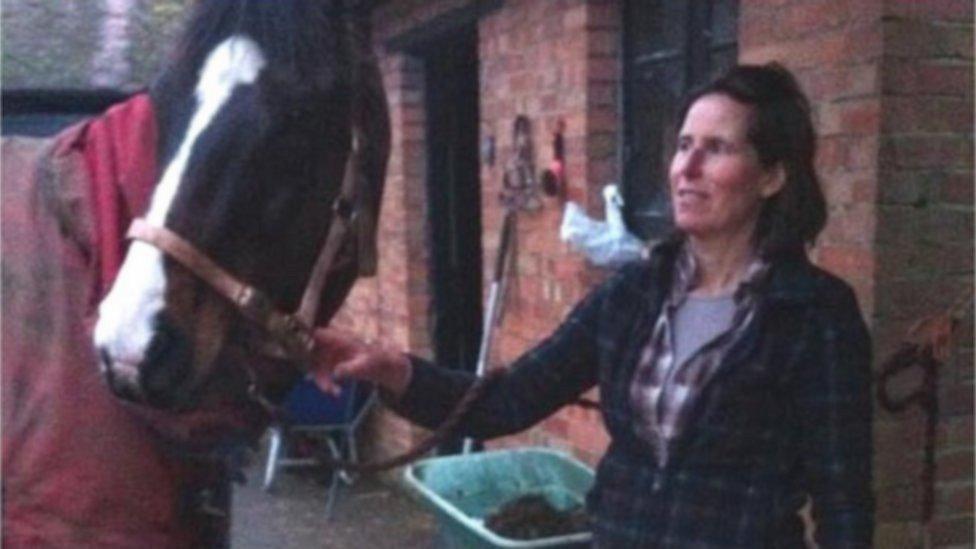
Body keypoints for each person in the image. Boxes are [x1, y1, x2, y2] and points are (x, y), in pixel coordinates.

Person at [312, 63, 874, 547]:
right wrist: (393, 369)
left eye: (717, 148)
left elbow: (842, 499)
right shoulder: (632, 295)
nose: (687, 168)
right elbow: (506, 401)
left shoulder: (814, 315)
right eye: (683, 146)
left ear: (772, 176)